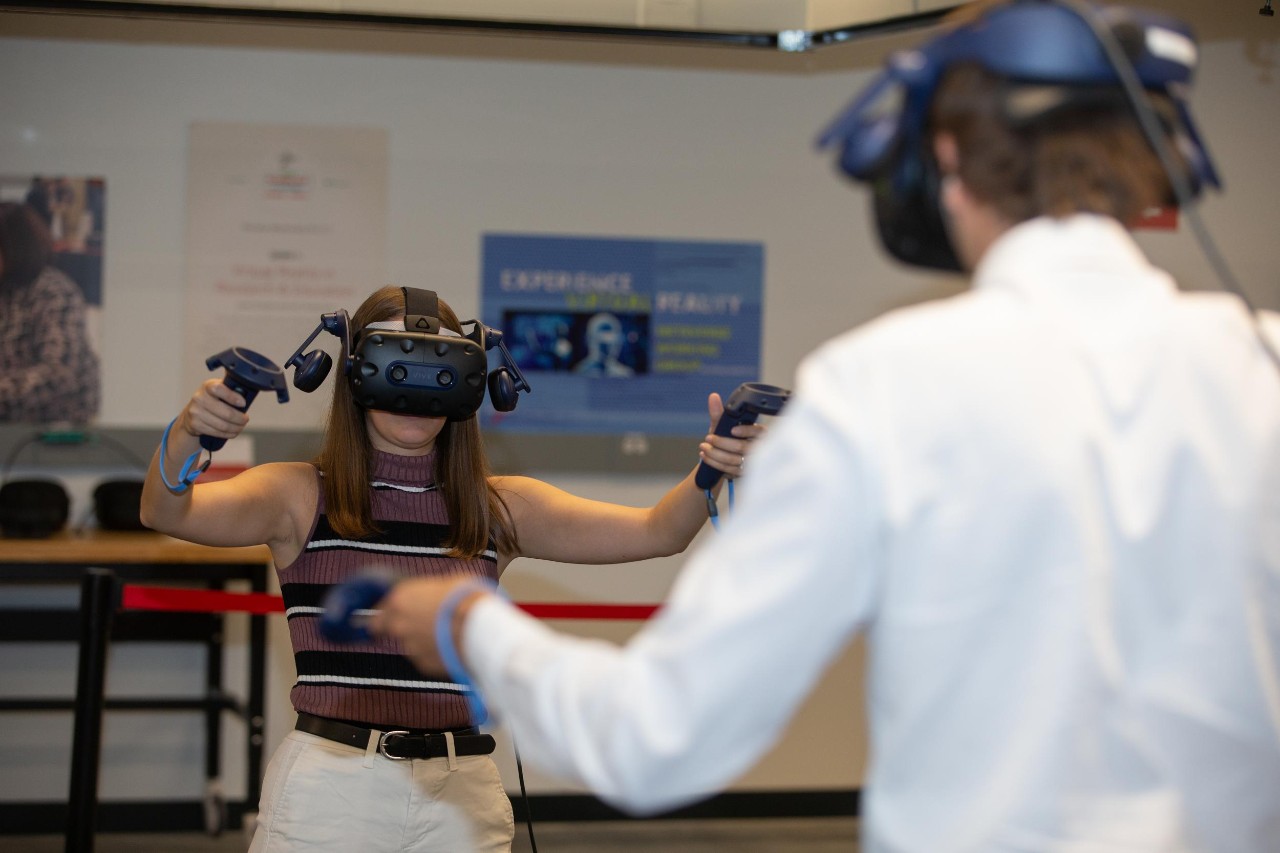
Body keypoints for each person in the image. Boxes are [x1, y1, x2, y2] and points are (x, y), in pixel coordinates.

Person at [368, 2, 1280, 851]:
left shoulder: (884, 383)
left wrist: (470, 623)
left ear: (942, 160)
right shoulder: (1264, 364)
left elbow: (653, 736)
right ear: (1156, 160)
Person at [138, 284, 764, 853]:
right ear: (355, 371)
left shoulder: (496, 508)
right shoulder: (299, 495)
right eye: (396, 361)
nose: (418, 386)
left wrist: (715, 464)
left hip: (462, 795)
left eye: (440, 368)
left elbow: (659, 531)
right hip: (333, 791)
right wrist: (191, 431)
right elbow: (167, 511)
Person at [0, 201, 101, 424]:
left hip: (54, 434)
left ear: (14, 246)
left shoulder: (53, 291)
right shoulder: (5, 292)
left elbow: (59, 374)